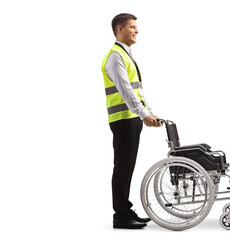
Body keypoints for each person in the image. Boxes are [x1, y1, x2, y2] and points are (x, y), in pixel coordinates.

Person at [101, 13, 162, 229]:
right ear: (119, 29)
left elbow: (138, 91)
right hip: (123, 119)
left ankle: (126, 210)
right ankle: (121, 216)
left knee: (128, 166)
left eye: (136, 27)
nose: (136, 31)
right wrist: (144, 114)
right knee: (123, 166)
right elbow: (125, 90)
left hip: (132, 118)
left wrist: (149, 112)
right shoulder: (115, 56)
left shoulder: (127, 55)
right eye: (132, 27)